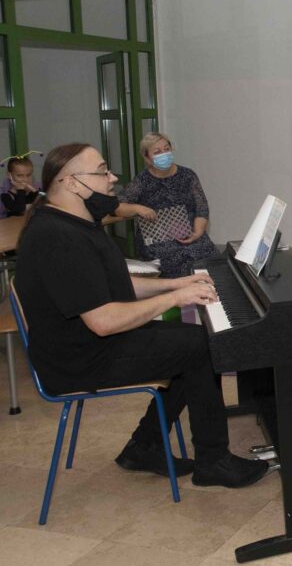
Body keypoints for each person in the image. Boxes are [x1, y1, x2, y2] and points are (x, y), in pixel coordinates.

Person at [16, 143, 268, 487]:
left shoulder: (75, 221)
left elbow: (115, 282)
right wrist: (175, 298)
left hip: (87, 345)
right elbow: (103, 321)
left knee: (191, 342)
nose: (112, 178)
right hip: (78, 359)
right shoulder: (58, 237)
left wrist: (175, 284)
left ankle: (144, 446)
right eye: (102, 171)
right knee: (200, 346)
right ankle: (213, 461)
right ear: (72, 183)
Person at [117, 132, 219, 278]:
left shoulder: (188, 175)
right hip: (159, 242)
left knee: (212, 264)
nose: (164, 154)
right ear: (147, 157)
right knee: (177, 264)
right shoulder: (142, 181)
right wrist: (138, 208)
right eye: (157, 152)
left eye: (166, 149)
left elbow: (201, 208)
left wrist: (197, 232)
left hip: (191, 235)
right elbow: (118, 206)